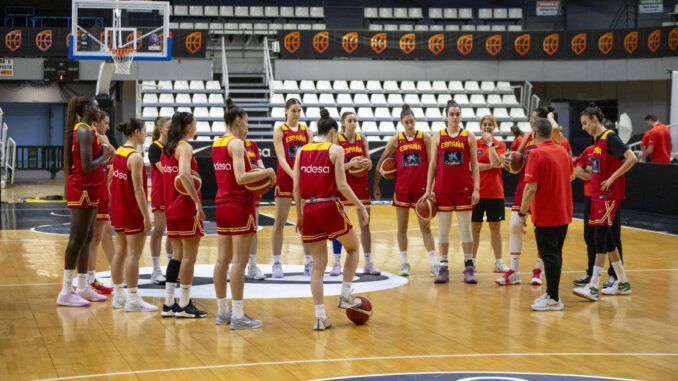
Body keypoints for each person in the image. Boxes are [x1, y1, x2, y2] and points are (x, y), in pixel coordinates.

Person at [293, 109, 368, 331]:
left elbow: (296, 187)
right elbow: (342, 185)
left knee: (318, 266)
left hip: (309, 209)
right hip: (329, 205)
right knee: (353, 249)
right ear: (334, 132)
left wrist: (298, 215)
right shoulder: (336, 149)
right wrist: (360, 205)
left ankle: (320, 317)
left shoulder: (302, 151)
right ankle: (345, 294)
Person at [212, 99, 276, 329]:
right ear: (237, 121)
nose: (247, 127)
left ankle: (222, 312)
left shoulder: (216, 143)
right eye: (246, 122)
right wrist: (267, 171)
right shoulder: (237, 144)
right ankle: (238, 316)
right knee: (238, 262)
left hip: (222, 206)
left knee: (222, 260)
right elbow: (240, 178)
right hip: (239, 205)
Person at [573, 103, 637, 301]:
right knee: (608, 242)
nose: (583, 128)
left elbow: (632, 158)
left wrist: (613, 178)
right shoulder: (597, 142)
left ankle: (593, 286)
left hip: (608, 197)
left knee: (600, 239)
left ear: (594, 119)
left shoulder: (610, 137)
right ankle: (622, 282)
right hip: (597, 197)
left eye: (585, 123)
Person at [57, 96, 113, 307]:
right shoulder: (83, 131)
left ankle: (82, 287)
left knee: (87, 238)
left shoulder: (86, 130)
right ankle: (66, 290)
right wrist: (105, 155)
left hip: (89, 188)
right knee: (77, 239)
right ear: (88, 109)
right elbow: (88, 166)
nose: (99, 110)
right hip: (82, 188)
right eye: (97, 107)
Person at [374, 104, 437, 277]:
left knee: (426, 227)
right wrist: (376, 184)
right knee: (402, 228)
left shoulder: (425, 138)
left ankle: (434, 264)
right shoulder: (396, 140)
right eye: (406, 122)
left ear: (415, 121)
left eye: (412, 121)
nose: (410, 125)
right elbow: (382, 161)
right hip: (402, 189)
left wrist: (432, 188)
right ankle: (404, 264)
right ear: (402, 123)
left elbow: (433, 164)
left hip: (421, 190)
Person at [519, 117, 574, 311]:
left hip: (546, 214)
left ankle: (554, 299)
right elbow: (571, 175)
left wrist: (522, 213)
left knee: (549, 255)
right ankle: (551, 293)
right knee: (555, 254)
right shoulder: (563, 152)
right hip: (564, 212)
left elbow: (530, 188)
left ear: (534, 134)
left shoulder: (536, 154)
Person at [422, 101, 479, 284]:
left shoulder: (468, 135)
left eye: (457, 114)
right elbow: (432, 164)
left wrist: (476, 188)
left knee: (465, 229)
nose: (455, 117)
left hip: (463, 188)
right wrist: (429, 188)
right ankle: (443, 267)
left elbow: (475, 164)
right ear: (446, 116)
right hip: (443, 189)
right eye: (452, 114)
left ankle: (469, 266)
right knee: (444, 230)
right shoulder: (438, 136)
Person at [160, 112, 207, 318]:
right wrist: (197, 203)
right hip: (186, 207)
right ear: (188, 127)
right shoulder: (185, 147)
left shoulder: (167, 150)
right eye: (195, 124)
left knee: (177, 256)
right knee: (189, 257)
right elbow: (185, 176)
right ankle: (186, 304)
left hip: (171, 208)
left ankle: (170, 303)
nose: (196, 127)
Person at [503, 106, 555, 286]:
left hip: (542, 189)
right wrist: (507, 159)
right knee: (514, 226)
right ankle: (514, 271)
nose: (531, 121)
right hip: (524, 185)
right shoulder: (526, 136)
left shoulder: (551, 138)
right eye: (531, 119)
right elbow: (516, 158)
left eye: (535, 119)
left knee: (541, 232)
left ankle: (537, 270)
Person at [110, 118, 156, 312]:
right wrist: (146, 215)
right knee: (133, 255)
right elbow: (139, 190)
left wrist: (114, 201)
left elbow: (110, 181)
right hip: (132, 210)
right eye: (145, 131)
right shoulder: (135, 157)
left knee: (120, 251)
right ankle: (133, 299)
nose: (146, 135)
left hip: (119, 210)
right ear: (136, 132)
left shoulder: (118, 152)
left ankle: (119, 296)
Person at [330, 111, 380, 276]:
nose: (353, 123)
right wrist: (349, 165)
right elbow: (334, 168)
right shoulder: (338, 140)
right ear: (343, 123)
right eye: (349, 121)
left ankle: (368, 263)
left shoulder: (362, 139)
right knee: (339, 225)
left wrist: (368, 163)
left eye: (355, 120)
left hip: (361, 185)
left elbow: (369, 163)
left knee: (365, 225)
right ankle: (336, 263)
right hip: (344, 185)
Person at [271, 98, 314, 278]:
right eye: (293, 110)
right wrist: (293, 174)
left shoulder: (307, 131)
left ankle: (309, 261)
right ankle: (276, 262)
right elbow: (281, 158)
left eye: (299, 110)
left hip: (303, 180)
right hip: (286, 178)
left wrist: (304, 175)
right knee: (280, 221)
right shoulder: (279, 131)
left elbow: (311, 157)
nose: (297, 114)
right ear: (286, 111)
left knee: (305, 222)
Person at [471, 116, 508, 279]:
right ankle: (471, 260)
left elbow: (497, 162)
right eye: (484, 124)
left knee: (495, 227)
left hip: (495, 191)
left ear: (494, 127)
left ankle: (498, 262)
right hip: (476, 191)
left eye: (490, 125)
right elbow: (472, 167)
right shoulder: (473, 143)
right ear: (480, 127)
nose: (487, 127)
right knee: (475, 227)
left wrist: (490, 144)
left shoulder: (500, 144)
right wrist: (490, 166)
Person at [86, 110, 114, 294]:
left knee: (104, 233)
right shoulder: (93, 137)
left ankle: (115, 269)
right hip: (95, 190)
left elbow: (112, 162)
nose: (108, 127)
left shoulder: (101, 138)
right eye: (105, 123)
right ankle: (89, 278)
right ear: (95, 123)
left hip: (102, 190)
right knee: (93, 239)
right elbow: (112, 156)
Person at [148, 116, 172, 284]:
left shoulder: (173, 147)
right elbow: (166, 171)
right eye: (169, 127)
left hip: (173, 193)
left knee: (173, 232)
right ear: (161, 129)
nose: (172, 129)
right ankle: (156, 270)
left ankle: (172, 268)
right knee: (158, 230)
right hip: (160, 193)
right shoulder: (154, 148)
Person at [242, 132, 266, 280]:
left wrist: (262, 173)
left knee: (253, 229)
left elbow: (260, 164)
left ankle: (252, 265)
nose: (246, 128)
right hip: (237, 190)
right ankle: (229, 266)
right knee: (234, 232)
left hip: (253, 191)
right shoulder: (229, 144)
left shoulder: (253, 145)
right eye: (244, 123)